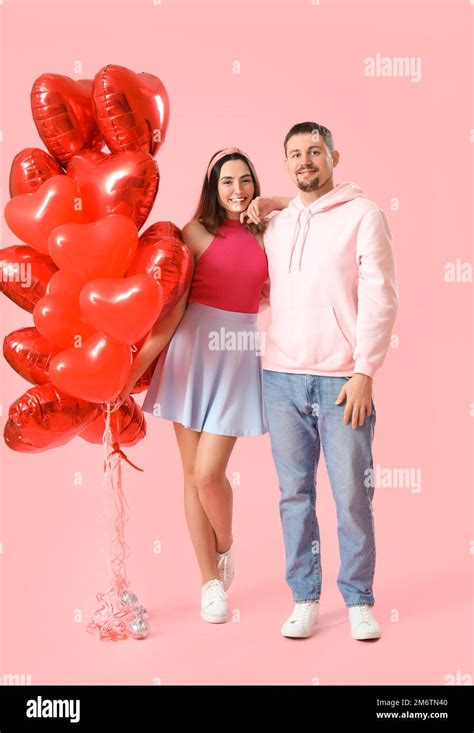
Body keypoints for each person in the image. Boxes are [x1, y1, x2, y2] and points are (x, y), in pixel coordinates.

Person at [242, 122, 399, 640]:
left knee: (352, 494)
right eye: (295, 153)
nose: (305, 160)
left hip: (341, 382)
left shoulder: (364, 216)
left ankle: (358, 599)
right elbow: (269, 289)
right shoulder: (281, 223)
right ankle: (305, 598)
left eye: (314, 151)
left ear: (334, 155)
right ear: (286, 162)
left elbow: (381, 297)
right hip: (281, 378)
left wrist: (365, 371)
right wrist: (268, 207)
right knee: (294, 495)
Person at [117, 148, 269, 624]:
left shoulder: (271, 232)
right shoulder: (195, 233)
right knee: (190, 475)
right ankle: (209, 583)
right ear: (212, 186)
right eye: (227, 181)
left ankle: (225, 546)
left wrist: (273, 203)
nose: (237, 190)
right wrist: (130, 371)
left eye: (245, 180)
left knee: (209, 474)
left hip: (239, 353)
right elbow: (174, 310)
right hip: (190, 353)